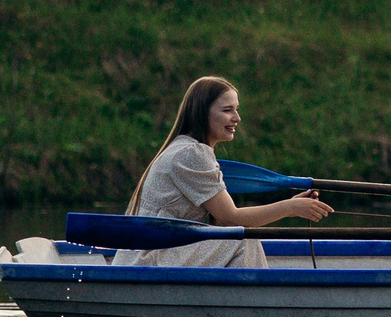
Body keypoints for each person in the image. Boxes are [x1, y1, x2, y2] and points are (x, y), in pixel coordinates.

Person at [124, 76, 332, 267]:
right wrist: (291, 207)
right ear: (202, 113)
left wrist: (292, 204)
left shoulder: (188, 149)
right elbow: (231, 218)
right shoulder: (191, 153)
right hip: (150, 257)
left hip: (155, 252)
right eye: (227, 110)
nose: (237, 118)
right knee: (242, 241)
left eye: (237, 109)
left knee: (237, 237)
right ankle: (259, 303)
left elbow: (223, 220)